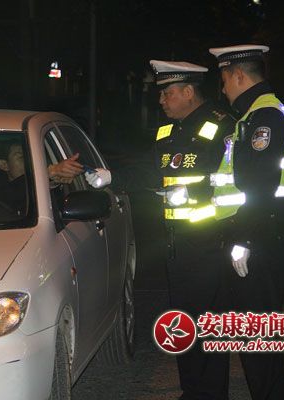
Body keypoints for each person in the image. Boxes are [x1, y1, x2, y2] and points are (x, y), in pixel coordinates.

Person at [87, 60, 235, 399]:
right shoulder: (168, 132)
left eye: (167, 93)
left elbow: (235, 181)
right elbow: (150, 171)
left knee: (207, 323)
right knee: (184, 319)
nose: (161, 100)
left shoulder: (222, 127)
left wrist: (193, 193)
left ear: (188, 92)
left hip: (211, 240)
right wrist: (110, 177)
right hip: (176, 242)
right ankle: (192, 390)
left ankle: (212, 393)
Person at [209, 44, 284, 400]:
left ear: (238, 75)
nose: (223, 89)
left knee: (258, 338)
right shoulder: (254, 114)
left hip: (260, 237)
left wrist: (244, 239)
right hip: (261, 234)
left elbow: (260, 183)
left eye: (224, 80)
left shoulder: (265, 116)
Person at [0, 141, 84, 212]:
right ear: (4, 165)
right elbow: (12, 195)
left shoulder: (46, 185)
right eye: (21, 157)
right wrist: (48, 173)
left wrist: (52, 180)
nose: (30, 161)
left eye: (31, 156)